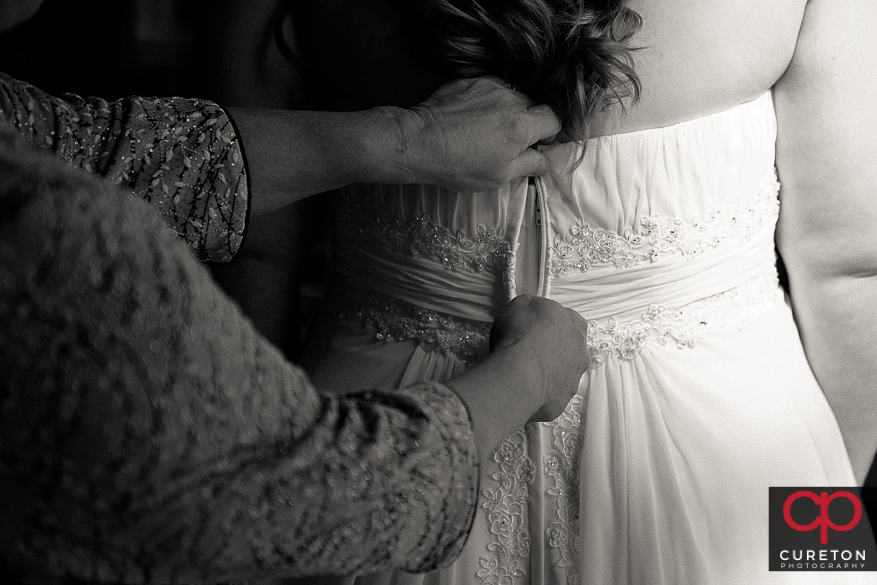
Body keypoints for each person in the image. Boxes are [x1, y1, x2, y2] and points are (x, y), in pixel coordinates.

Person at [279, 0, 877, 583]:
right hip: (743, 467)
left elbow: (249, 248)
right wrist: (827, 504)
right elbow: (851, 269)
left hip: (366, 451)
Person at [0, 123, 590, 583]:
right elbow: (288, 499)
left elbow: (98, 138)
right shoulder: (57, 244)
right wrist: (528, 373)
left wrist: (402, 135)